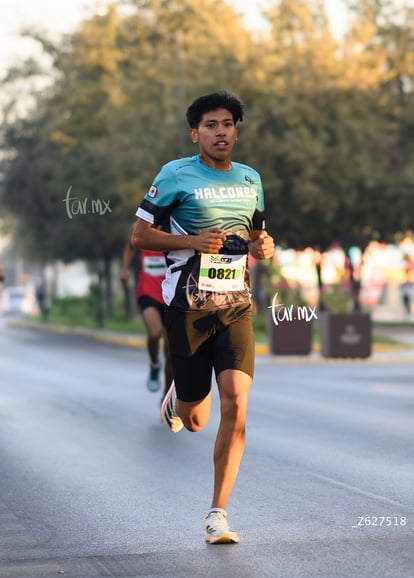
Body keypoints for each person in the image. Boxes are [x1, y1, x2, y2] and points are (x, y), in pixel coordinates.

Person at [131, 91, 274, 544]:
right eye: (211, 125)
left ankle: (218, 513)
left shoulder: (251, 179)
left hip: (236, 307)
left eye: (228, 124)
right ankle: (180, 398)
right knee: (195, 418)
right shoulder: (175, 175)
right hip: (187, 308)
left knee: (236, 402)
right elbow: (139, 236)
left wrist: (264, 247)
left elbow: (257, 235)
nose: (221, 132)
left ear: (236, 129)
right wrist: (193, 242)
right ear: (196, 133)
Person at [121, 237, 173, 395]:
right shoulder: (142, 225)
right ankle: (155, 364)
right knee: (155, 332)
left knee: (170, 352)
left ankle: (166, 396)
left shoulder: (173, 224)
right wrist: (124, 269)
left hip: (170, 293)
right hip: (148, 291)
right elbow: (130, 246)